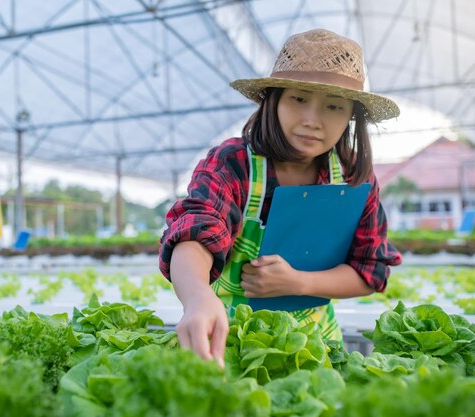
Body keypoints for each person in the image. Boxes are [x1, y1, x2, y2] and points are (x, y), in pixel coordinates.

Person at [159, 29, 402, 367]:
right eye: (298, 99)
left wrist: (298, 282)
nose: (312, 121)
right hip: (229, 345)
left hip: (317, 351)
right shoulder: (234, 163)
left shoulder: (352, 177)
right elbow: (196, 232)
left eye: (333, 106)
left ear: (351, 116)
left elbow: (369, 271)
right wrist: (198, 297)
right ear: (273, 100)